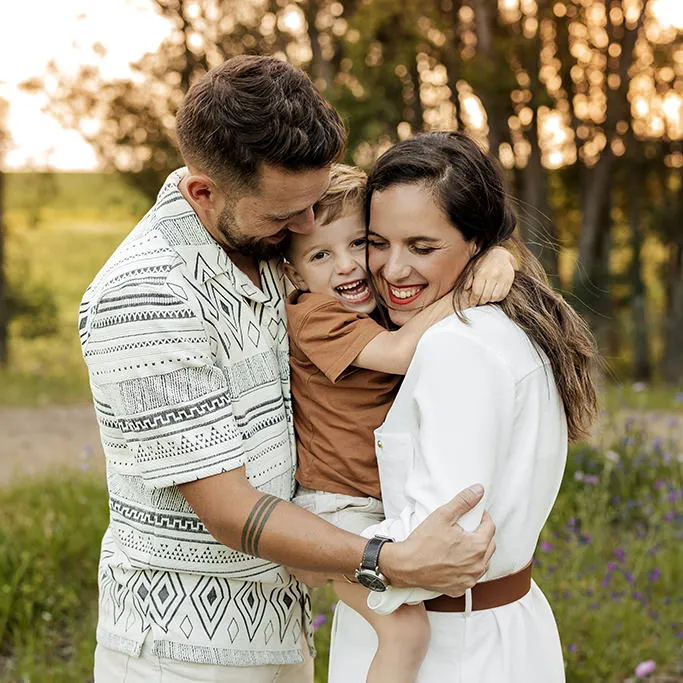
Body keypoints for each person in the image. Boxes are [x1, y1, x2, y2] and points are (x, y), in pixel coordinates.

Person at [79, 56, 496, 683]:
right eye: (285, 216)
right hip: (183, 655)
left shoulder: (270, 246)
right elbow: (229, 509)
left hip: (281, 630)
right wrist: (391, 560)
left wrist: (497, 255)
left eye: (312, 205)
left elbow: (421, 233)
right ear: (203, 192)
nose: (304, 228)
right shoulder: (146, 296)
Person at [328, 131, 598, 683]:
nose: (392, 269)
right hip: (498, 633)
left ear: (477, 243)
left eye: (422, 248)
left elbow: (440, 551)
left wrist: (304, 546)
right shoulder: (505, 325)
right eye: (377, 242)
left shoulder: (456, 347)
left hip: (445, 651)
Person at [282, 164, 517, 683]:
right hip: (338, 511)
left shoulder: (371, 307)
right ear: (293, 274)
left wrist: (497, 254)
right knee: (405, 632)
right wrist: (469, 291)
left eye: (360, 244)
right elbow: (398, 353)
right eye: (321, 255)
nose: (349, 267)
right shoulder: (314, 315)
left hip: (376, 504)